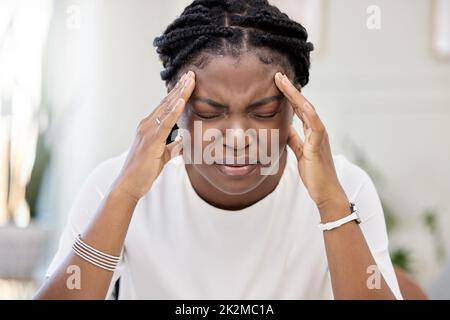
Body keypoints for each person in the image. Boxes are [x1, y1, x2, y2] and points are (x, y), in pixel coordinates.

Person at [35, 0, 402, 299]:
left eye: (264, 111)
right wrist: (124, 195)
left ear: (296, 105)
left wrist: (331, 205)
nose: (238, 136)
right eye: (210, 112)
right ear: (174, 107)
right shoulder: (115, 184)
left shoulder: (345, 188)